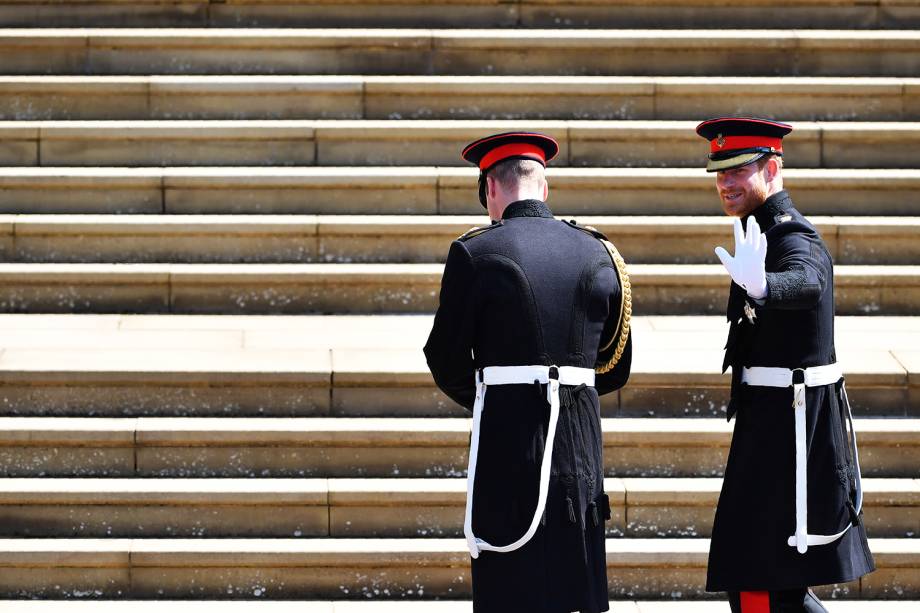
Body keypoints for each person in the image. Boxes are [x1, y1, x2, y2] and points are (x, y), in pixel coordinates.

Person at [423, 131, 632, 613]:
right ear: (545, 186)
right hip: (579, 455)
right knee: (574, 591)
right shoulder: (601, 253)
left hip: (508, 450)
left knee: (509, 591)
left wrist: (501, 396)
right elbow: (615, 367)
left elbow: (446, 359)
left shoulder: (474, 253)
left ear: (490, 190)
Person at [697, 117, 875, 612]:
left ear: (773, 168)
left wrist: (766, 288)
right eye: (719, 173)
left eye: (738, 172)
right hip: (770, 425)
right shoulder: (760, 231)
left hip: (791, 434)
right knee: (756, 578)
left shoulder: (792, 234)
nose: (725, 184)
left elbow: (808, 280)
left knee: (763, 580)